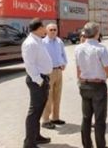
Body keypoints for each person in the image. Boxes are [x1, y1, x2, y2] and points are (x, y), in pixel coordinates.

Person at [74, 22, 108, 148]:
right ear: (97, 33)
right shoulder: (101, 49)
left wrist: (80, 81)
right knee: (99, 120)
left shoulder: (78, 48)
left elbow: (78, 69)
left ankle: (87, 145)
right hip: (98, 86)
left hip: (84, 85)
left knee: (86, 118)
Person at [22, 18, 53, 148]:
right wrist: (39, 81)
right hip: (37, 81)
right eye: (43, 27)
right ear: (39, 28)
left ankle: (37, 136)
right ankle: (29, 143)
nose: (45, 29)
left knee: (39, 110)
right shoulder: (30, 43)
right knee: (34, 112)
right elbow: (30, 65)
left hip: (42, 79)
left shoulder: (37, 41)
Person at [41, 23, 67, 129]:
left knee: (57, 95)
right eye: (51, 29)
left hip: (58, 71)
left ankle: (55, 117)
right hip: (48, 72)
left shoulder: (59, 41)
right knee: (48, 96)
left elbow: (63, 54)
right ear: (46, 31)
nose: (53, 31)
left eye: (55, 29)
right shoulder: (43, 43)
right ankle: (46, 120)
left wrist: (64, 63)